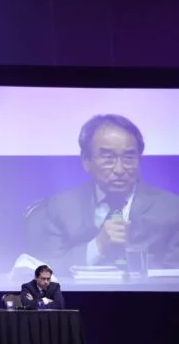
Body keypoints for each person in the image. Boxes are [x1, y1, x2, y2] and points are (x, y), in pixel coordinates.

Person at [25, 114, 179, 273]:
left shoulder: (172, 209)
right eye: (108, 158)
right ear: (86, 161)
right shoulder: (60, 208)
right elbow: (46, 271)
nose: (119, 169)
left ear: (139, 160)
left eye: (128, 157)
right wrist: (97, 246)